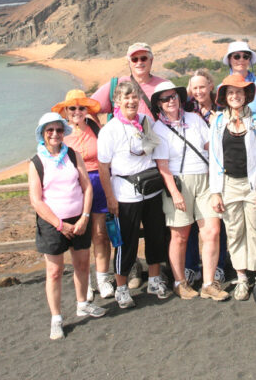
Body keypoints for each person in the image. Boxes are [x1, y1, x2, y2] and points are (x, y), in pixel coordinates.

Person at [29, 112, 105, 341]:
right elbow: (36, 200)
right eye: (49, 130)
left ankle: (82, 303)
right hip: (53, 223)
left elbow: (87, 187)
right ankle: (56, 318)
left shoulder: (73, 155)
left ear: (64, 132)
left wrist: (84, 217)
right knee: (54, 272)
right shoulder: (36, 162)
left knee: (82, 264)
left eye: (59, 130)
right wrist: (59, 224)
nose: (54, 134)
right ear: (42, 134)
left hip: (78, 218)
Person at [96, 81, 172, 308]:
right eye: (126, 98)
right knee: (125, 242)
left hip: (151, 189)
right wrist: (110, 198)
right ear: (117, 102)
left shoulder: (144, 122)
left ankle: (155, 279)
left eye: (134, 97)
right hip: (125, 193)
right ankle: (121, 288)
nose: (131, 101)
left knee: (155, 235)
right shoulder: (110, 130)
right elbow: (103, 167)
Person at [151, 82, 230, 301]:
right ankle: (180, 282)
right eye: (165, 99)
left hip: (204, 179)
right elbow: (163, 166)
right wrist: (175, 193)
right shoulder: (159, 129)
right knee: (180, 236)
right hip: (179, 182)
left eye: (174, 96)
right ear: (159, 104)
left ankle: (208, 283)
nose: (171, 101)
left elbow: (209, 148)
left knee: (212, 231)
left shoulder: (194, 119)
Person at [209, 73, 256, 300]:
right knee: (234, 232)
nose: (235, 96)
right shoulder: (217, 123)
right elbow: (213, 159)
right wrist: (215, 192)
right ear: (225, 96)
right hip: (229, 185)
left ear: (247, 95)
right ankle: (242, 278)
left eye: (239, 92)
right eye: (231, 92)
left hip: (254, 184)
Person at [53, 89, 115, 300]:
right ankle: (85, 281)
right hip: (74, 187)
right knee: (80, 238)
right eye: (73, 108)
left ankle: (103, 278)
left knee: (100, 234)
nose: (77, 111)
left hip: (98, 183)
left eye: (81, 107)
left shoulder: (96, 128)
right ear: (66, 111)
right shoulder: (60, 134)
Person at [92, 42, 171, 120]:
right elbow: (86, 108)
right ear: (129, 62)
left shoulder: (165, 85)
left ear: (151, 60)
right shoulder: (117, 84)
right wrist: (99, 129)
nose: (139, 62)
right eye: (134, 59)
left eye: (143, 58)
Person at [222, 41, 256, 128]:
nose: (241, 60)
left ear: (249, 60)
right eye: (237, 56)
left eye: (245, 56)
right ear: (229, 60)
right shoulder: (223, 86)